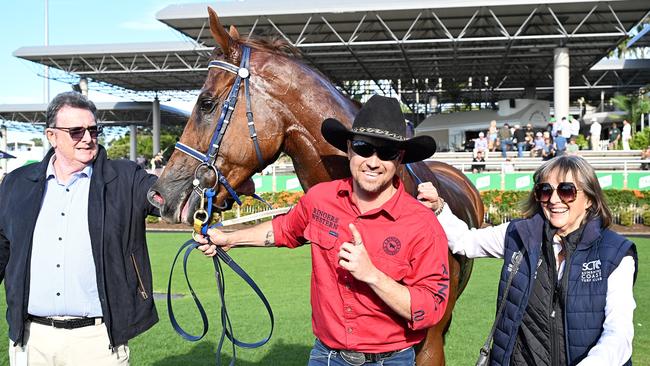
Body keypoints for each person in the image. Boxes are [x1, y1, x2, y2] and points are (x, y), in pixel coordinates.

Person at [197, 95, 450, 365]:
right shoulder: (320, 199)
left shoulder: (423, 223)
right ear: (350, 150)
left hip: (391, 360)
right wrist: (229, 238)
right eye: (364, 148)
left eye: (386, 152)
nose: (373, 162)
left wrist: (373, 275)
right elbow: (285, 229)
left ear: (399, 159)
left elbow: (431, 308)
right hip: (326, 357)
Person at [418, 155, 637, 365]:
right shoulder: (520, 234)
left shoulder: (616, 253)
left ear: (589, 198)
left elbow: (618, 333)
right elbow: (465, 241)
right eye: (545, 190)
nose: (554, 200)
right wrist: (439, 208)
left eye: (567, 191)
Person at [0, 92, 159, 366]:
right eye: (76, 131)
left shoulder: (126, 178)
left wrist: (215, 194)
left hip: (97, 343)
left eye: (94, 130)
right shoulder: (16, 184)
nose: (87, 138)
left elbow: (168, 199)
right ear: (52, 136)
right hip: (31, 340)